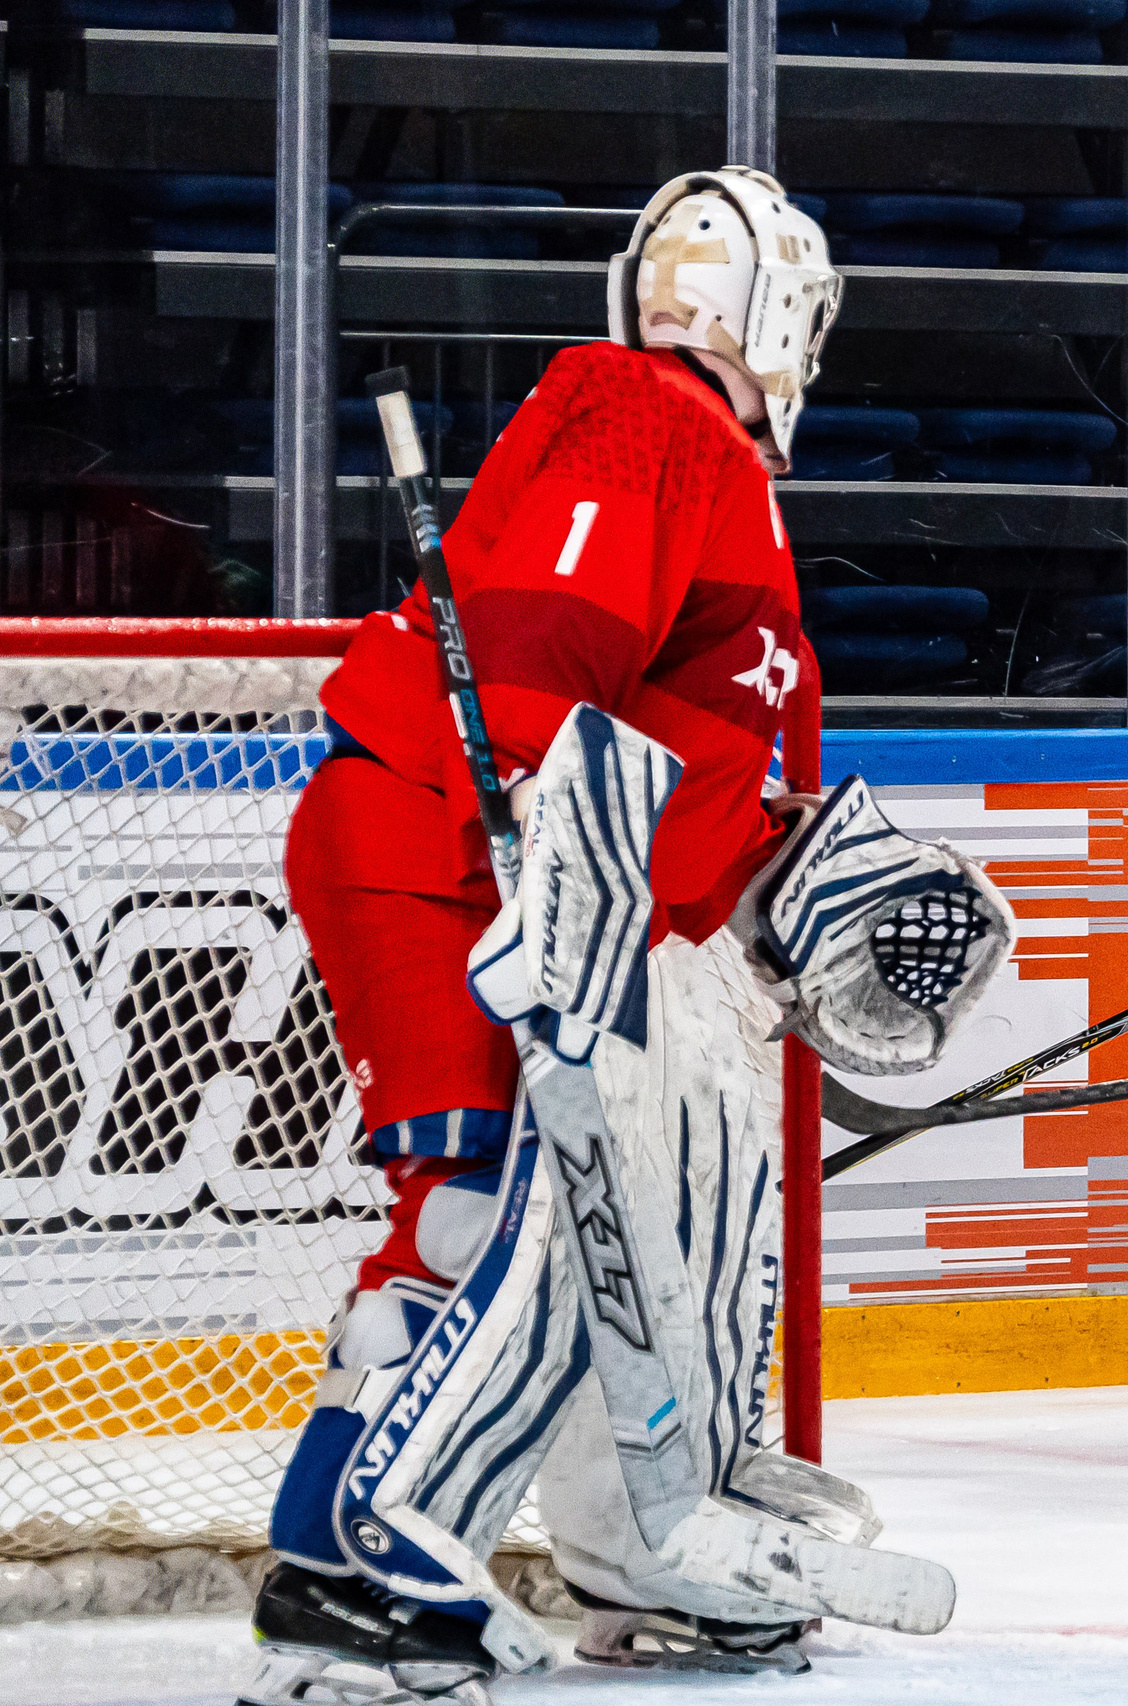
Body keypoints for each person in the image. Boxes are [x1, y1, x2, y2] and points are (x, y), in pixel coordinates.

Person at [249, 167, 872, 1702]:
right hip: (441, 852)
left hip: (515, 870)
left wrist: (778, 881)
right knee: (476, 1217)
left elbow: (681, 752)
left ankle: (609, 1547)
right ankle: (349, 1571)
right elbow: (543, 642)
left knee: (554, 1225)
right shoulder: (644, 408)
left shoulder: (715, 463)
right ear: (769, 310)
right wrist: (538, 818)